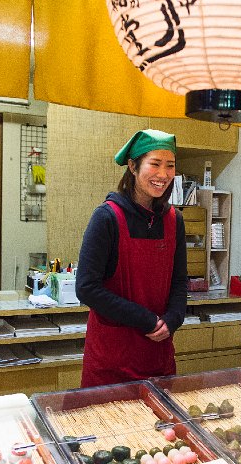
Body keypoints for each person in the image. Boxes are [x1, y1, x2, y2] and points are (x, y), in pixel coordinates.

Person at [76, 129, 187, 388]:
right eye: (155, 164)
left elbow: (180, 282)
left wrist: (173, 319)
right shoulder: (107, 217)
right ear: (133, 166)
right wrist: (146, 320)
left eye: (170, 166)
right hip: (111, 360)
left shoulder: (174, 221)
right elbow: (87, 288)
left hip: (157, 357)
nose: (163, 175)